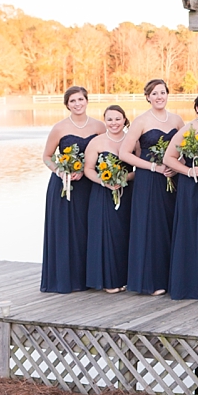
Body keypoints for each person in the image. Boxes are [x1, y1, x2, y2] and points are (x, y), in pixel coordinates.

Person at [117, 79, 185, 296]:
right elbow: (124, 153)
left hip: (171, 178)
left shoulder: (176, 120)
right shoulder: (141, 121)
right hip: (148, 179)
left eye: (162, 92)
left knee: (170, 225)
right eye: (154, 93)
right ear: (147, 97)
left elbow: (184, 148)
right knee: (151, 227)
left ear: (167, 94)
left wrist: (177, 165)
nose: (159, 97)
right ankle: (151, 280)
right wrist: (154, 167)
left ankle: (171, 277)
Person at [40, 86, 105, 293]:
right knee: (67, 232)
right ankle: (67, 279)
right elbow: (47, 156)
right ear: (67, 105)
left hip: (90, 185)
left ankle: (91, 278)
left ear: (87, 100)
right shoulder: (59, 128)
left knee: (89, 229)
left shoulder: (99, 126)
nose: (77, 104)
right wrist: (61, 172)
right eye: (73, 101)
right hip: (65, 186)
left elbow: (108, 152)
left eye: (80, 99)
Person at [165, 92, 198, 300]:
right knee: (193, 232)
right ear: (196, 108)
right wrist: (188, 171)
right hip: (192, 187)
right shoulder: (188, 129)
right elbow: (168, 157)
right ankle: (190, 284)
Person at [84, 105, 135, 293]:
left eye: (117, 119)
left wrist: (124, 179)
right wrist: (104, 182)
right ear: (105, 121)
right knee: (107, 235)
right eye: (110, 119)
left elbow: (138, 169)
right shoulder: (97, 142)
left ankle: (127, 277)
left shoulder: (132, 141)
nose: (114, 123)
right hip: (103, 193)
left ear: (124, 120)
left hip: (128, 193)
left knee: (125, 234)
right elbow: (88, 169)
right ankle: (109, 280)